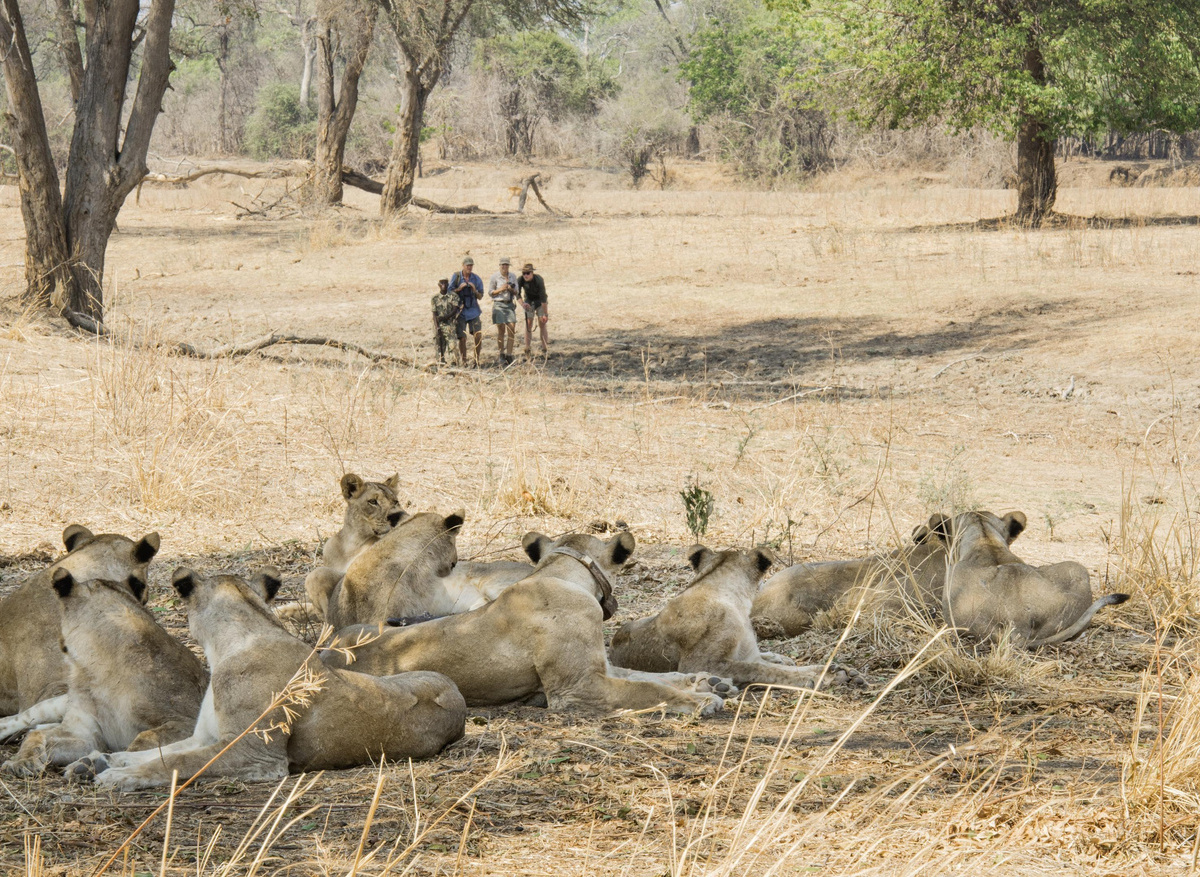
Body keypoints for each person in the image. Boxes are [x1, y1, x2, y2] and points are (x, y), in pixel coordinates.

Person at [449, 256, 484, 367]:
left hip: (473, 309)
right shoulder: (457, 276)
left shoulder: (476, 279)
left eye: (471, 265)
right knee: (462, 337)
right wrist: (459, 289)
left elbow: (480, 296)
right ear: (463, 265)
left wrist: (474, 290)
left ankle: (476, 360)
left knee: (477, 335)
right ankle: (464, 361)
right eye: (467, 265)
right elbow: (449, 292)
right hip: (461, 310)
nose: (469, 267)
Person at [488, 257, 519, 366]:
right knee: (501, 329)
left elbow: (517, 292)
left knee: (511, 328)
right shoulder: (495, 277)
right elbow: (490, 292)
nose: (505, 267)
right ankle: (501, 353)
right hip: (499, 304)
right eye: (503, 265)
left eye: (506, 265)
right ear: (500, 265)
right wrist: (501, 289)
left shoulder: (513, 276)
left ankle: (509, 354)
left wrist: (510, 289)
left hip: (509, 303)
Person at [517, 262, 549, 358]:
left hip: (540, 301)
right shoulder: (520, 279)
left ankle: (545, 349)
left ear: (532, 273)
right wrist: (523, 304)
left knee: (542, 323)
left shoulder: (538, 280)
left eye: (528, 273)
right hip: (528, 301)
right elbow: (517, 294)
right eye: (524, 273)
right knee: (528, 323)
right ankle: (527, 349)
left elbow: (543, 298)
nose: (525, 275)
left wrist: (545, 314)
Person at [430, 278, 460, 364]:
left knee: (452, 345)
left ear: (448, 284)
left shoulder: (453, 296)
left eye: (445, 283)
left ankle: (454, 364)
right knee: (439, 346)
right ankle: (441, 363)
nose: (443, 285)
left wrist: (444, 317)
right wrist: (437, 327)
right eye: (441, 283)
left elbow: (454, 310)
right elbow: (434, 314)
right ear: (438, 285)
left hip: (450, 325)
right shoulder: (434, 298)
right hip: (438, 324)